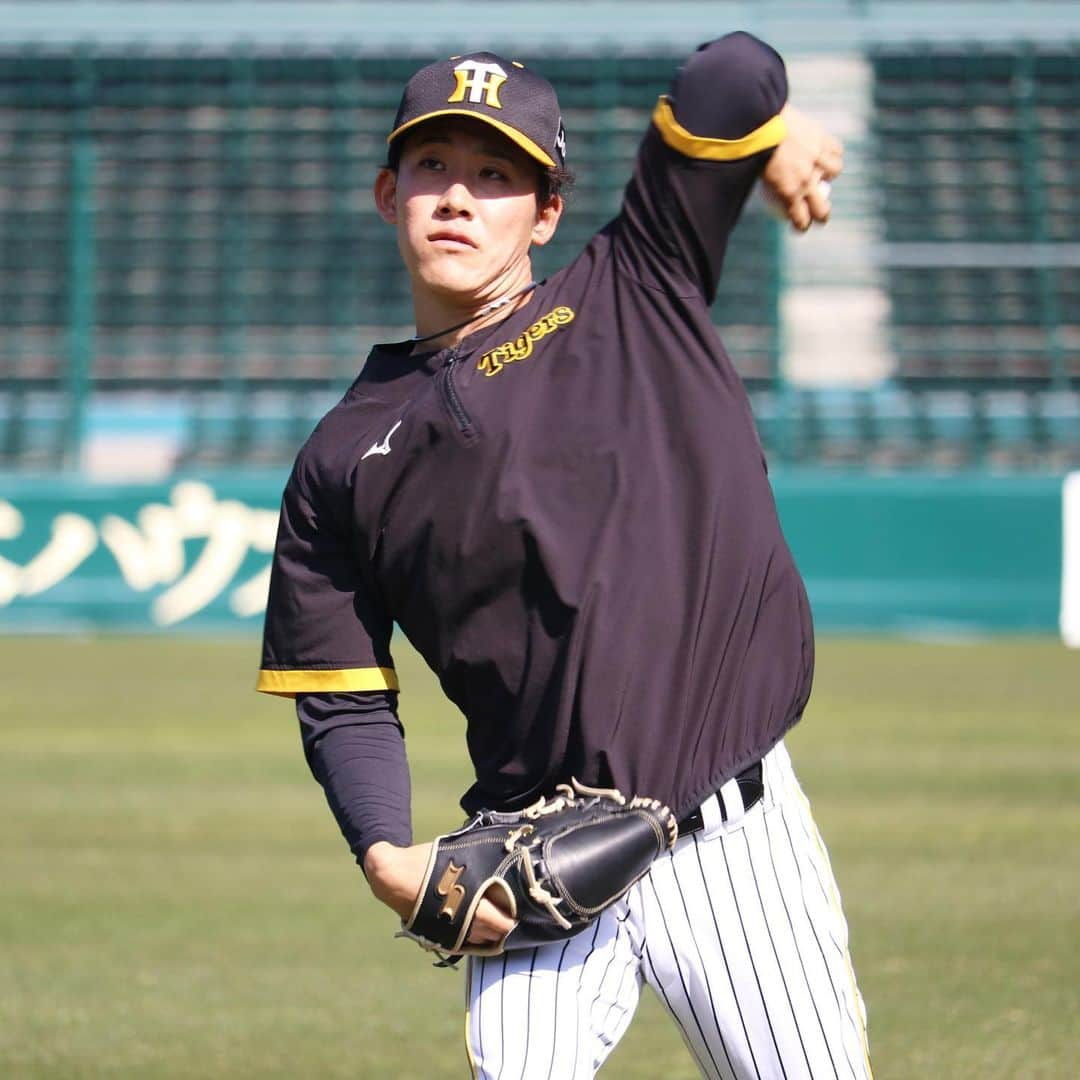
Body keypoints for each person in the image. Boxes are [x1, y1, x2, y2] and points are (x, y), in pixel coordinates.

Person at [258, 31, 871, 1079]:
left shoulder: (635, 294)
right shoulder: (341, 457)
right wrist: (384, 857)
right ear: (386, 192)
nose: (458, 196)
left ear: (546, 213)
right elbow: (345, 695)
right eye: (433, 167)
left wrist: (762, 133)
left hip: (733, 840)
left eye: (496, 175)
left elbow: (733, 67)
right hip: (529, 864)